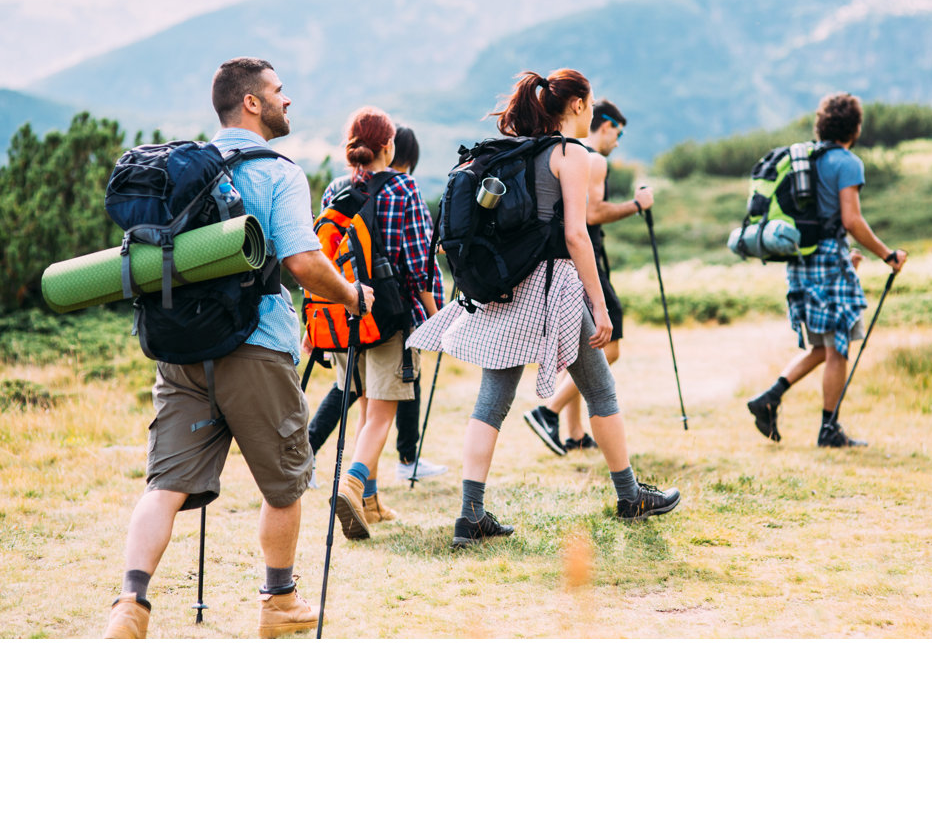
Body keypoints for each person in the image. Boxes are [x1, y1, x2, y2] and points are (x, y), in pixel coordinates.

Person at [103, 58, 370, 639]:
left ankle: (131, 604)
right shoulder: (279, 172)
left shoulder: (186, 168)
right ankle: (278, 603)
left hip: (181, 351)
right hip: (257, 346)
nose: (287, 100)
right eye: (278, 91)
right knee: (285, 482)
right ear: (252, 102)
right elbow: (301, 263)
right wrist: (351, 294)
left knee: (165, 484)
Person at [408, 69, 681, 548]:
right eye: (591, 101)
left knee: (492, 401)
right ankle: (629, 495)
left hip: (509, 285)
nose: (593, 109)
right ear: (576, 104)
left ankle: (470, 515)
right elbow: (576, 235)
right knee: (601, 389)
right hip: (552, 288)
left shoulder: (520, 150)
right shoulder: (571, 154)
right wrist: (599, 305)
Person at [746, 92, 907, 448]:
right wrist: (886, 254)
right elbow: (851, 219)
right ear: (855, 127)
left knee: (822, 345)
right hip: (827, 262)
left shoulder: (807, 158)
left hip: (801, 260)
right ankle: (828, 430)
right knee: (837, 347)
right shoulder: (846, 162)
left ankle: (768, 398)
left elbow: (821, 217)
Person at [323, 109, 442, 541]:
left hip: (343, 318)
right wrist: (436, 317)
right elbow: (420, 265)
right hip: (389, 319)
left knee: (367, 408)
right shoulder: (403, 188)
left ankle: (369, 501)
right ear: (388, 147)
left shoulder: (336, 189)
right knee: (382, 411)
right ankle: (352, 486)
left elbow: (323, 257)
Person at [523, 98, 652, 454]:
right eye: (618, 132)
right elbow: (592, 214)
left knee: (578, 348)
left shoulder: (568, 153)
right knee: (608, 347)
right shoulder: (593, 160)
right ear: (606, 124)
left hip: (562, 264)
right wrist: (637, 205)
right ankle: (547, 412)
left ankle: (575, 433)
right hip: (584, 263)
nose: (617, 141)